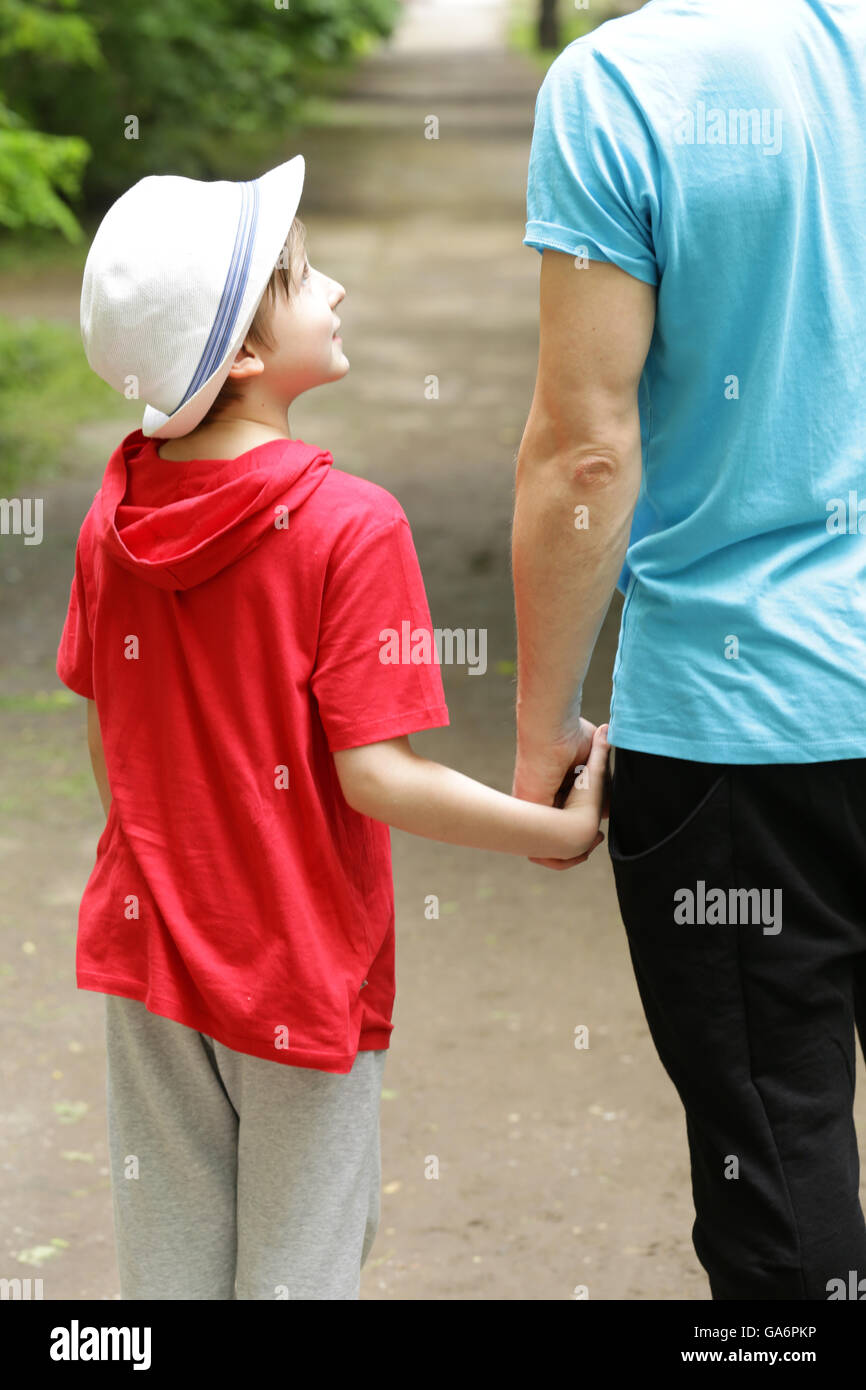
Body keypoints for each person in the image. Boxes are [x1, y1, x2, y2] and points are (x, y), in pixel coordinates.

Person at [55, 155, 610, 1300]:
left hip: (149, 941)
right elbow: (375, 776)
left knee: (168, 1266)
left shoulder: (115, 517)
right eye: (306, 277)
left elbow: (108, 738)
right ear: (246, 356)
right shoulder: (350, 525)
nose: (339, 290)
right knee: (297, 1270)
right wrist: (542, 831)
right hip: (296, 959)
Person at [513, 0, 866, 1299]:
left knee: (774, 1162)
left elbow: (583, 445)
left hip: (736, 727)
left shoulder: (618, 88)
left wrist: (544, 730)